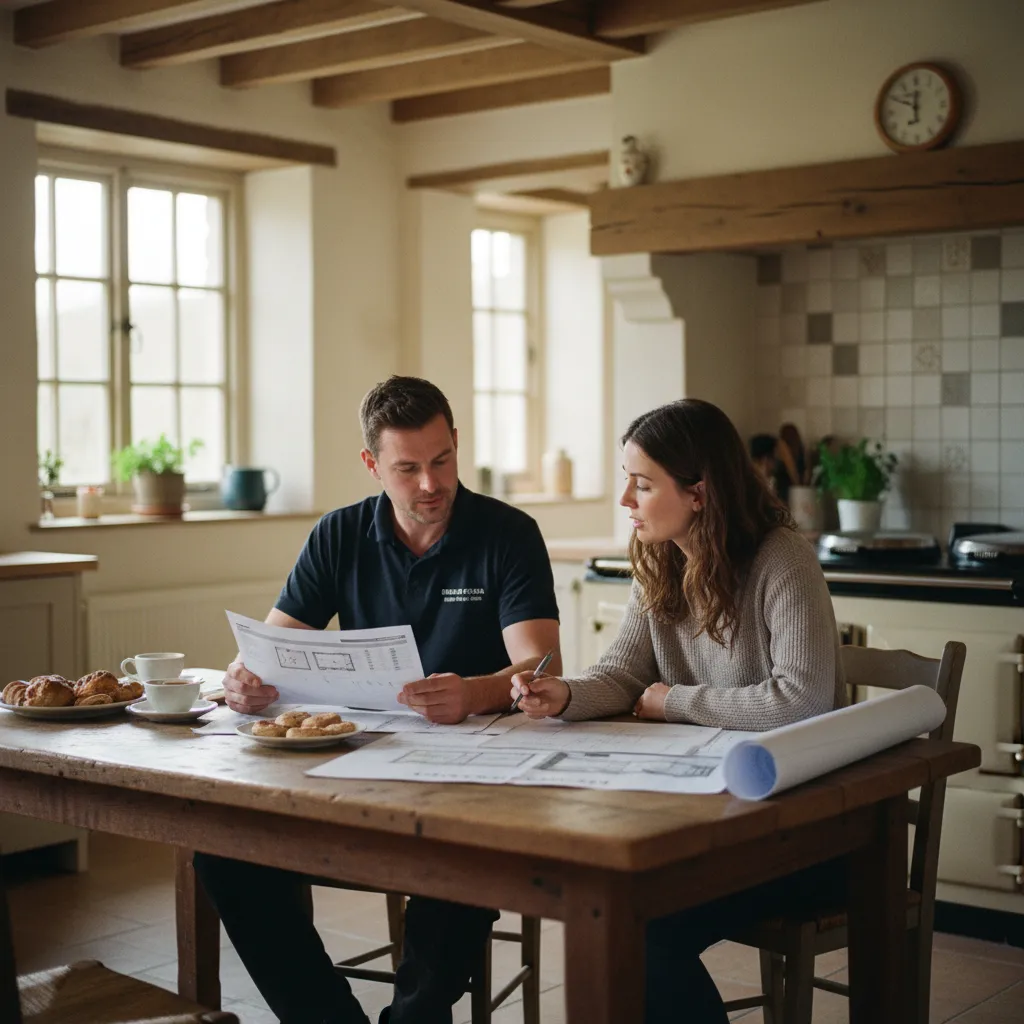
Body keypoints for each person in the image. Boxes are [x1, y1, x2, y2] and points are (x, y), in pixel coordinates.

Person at [196, 375, 561, 1024]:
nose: (430, 483)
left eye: (442, 460)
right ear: (372, 466)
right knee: (222, 848)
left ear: (456, 443)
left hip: (476, 773)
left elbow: (537, 661)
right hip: (359, 763)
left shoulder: (507, 533)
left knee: (464, 858)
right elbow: (271, 649)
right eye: (408, 468)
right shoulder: (339, 535)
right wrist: (245, 680)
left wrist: (476, 692)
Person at [510, 398, 844, 1024]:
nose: (625, 501)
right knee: (623, 917)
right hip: (717, 824)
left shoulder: (783, 559)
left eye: (641, 484)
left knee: (638, 928)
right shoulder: (660, 562)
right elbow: (624, 673)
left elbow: (803, 700)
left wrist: (675, 702)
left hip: (799, 835)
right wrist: (567, 694)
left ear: (699, 491)